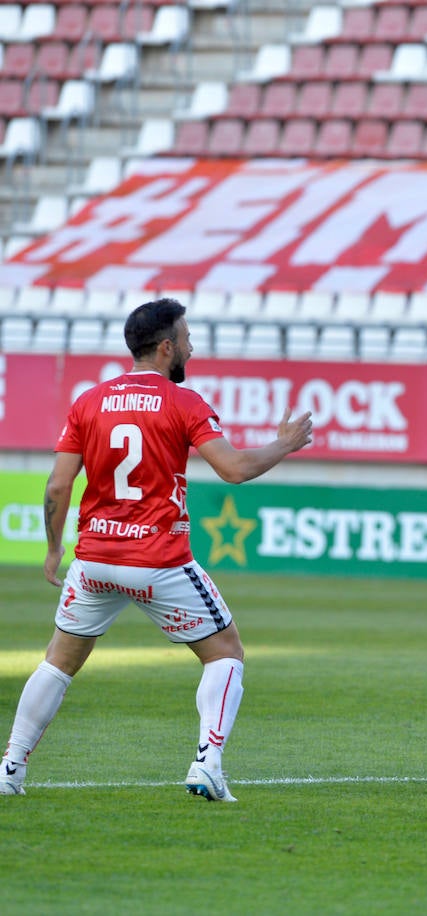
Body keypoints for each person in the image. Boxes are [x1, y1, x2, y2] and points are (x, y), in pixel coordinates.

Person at [0, 298, 313, 803]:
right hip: (158, 560)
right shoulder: (184, 403)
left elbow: (59, 487)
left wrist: (54, 548)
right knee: (226, 653)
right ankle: (208, 763)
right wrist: (285, 444)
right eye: (186, 337)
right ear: (167, 346)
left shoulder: (89, 401)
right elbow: (233, 469)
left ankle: (9, 769)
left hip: (95, 560)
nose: (192, 345)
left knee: (57, 662)